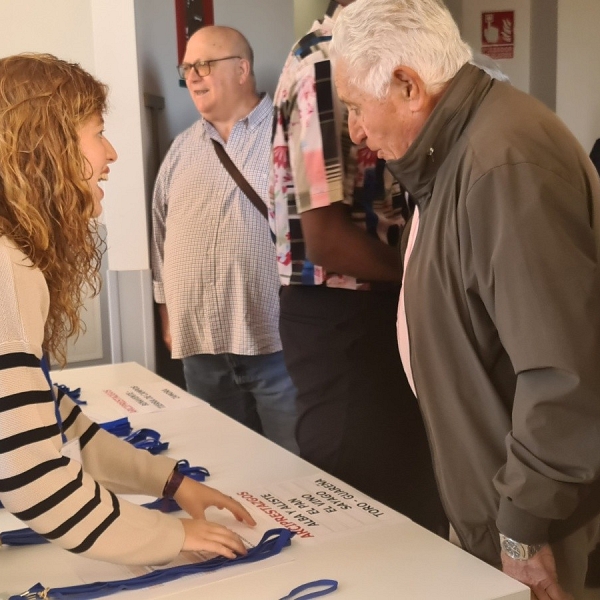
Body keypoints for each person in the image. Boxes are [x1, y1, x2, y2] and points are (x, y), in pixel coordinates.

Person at [331, 1, 600, 598]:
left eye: (355, 106)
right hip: (504, 506)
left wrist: (523, 529)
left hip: (543, 528)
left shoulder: (502, 164)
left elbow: (563, 373)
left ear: (407, 86)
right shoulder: (455, 152)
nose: (354, 131)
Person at [0, 53, 256, 565]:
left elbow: (46, 416)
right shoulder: (8, 269)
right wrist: (175, 537)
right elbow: (32, 476)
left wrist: (169, 481)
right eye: (96, 132)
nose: (111, 151)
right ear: (46, 150)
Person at [269, 0, 447, 536]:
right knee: (361, 499)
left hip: (369, 300)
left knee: (405, 487)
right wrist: (427, 274)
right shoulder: (328, 63)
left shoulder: (347, 56)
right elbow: (324, 237)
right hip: (343, 307)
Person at [150, 26, 298, 454]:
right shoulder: (182, 149)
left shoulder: (287, 136)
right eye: (187, 68)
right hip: (199, 348)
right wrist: (166, 316)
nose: (192, 76)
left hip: (275, 346)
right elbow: (160, 232)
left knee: (298, 471)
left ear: (242, 69)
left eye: (203, 65)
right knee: (221, 467)